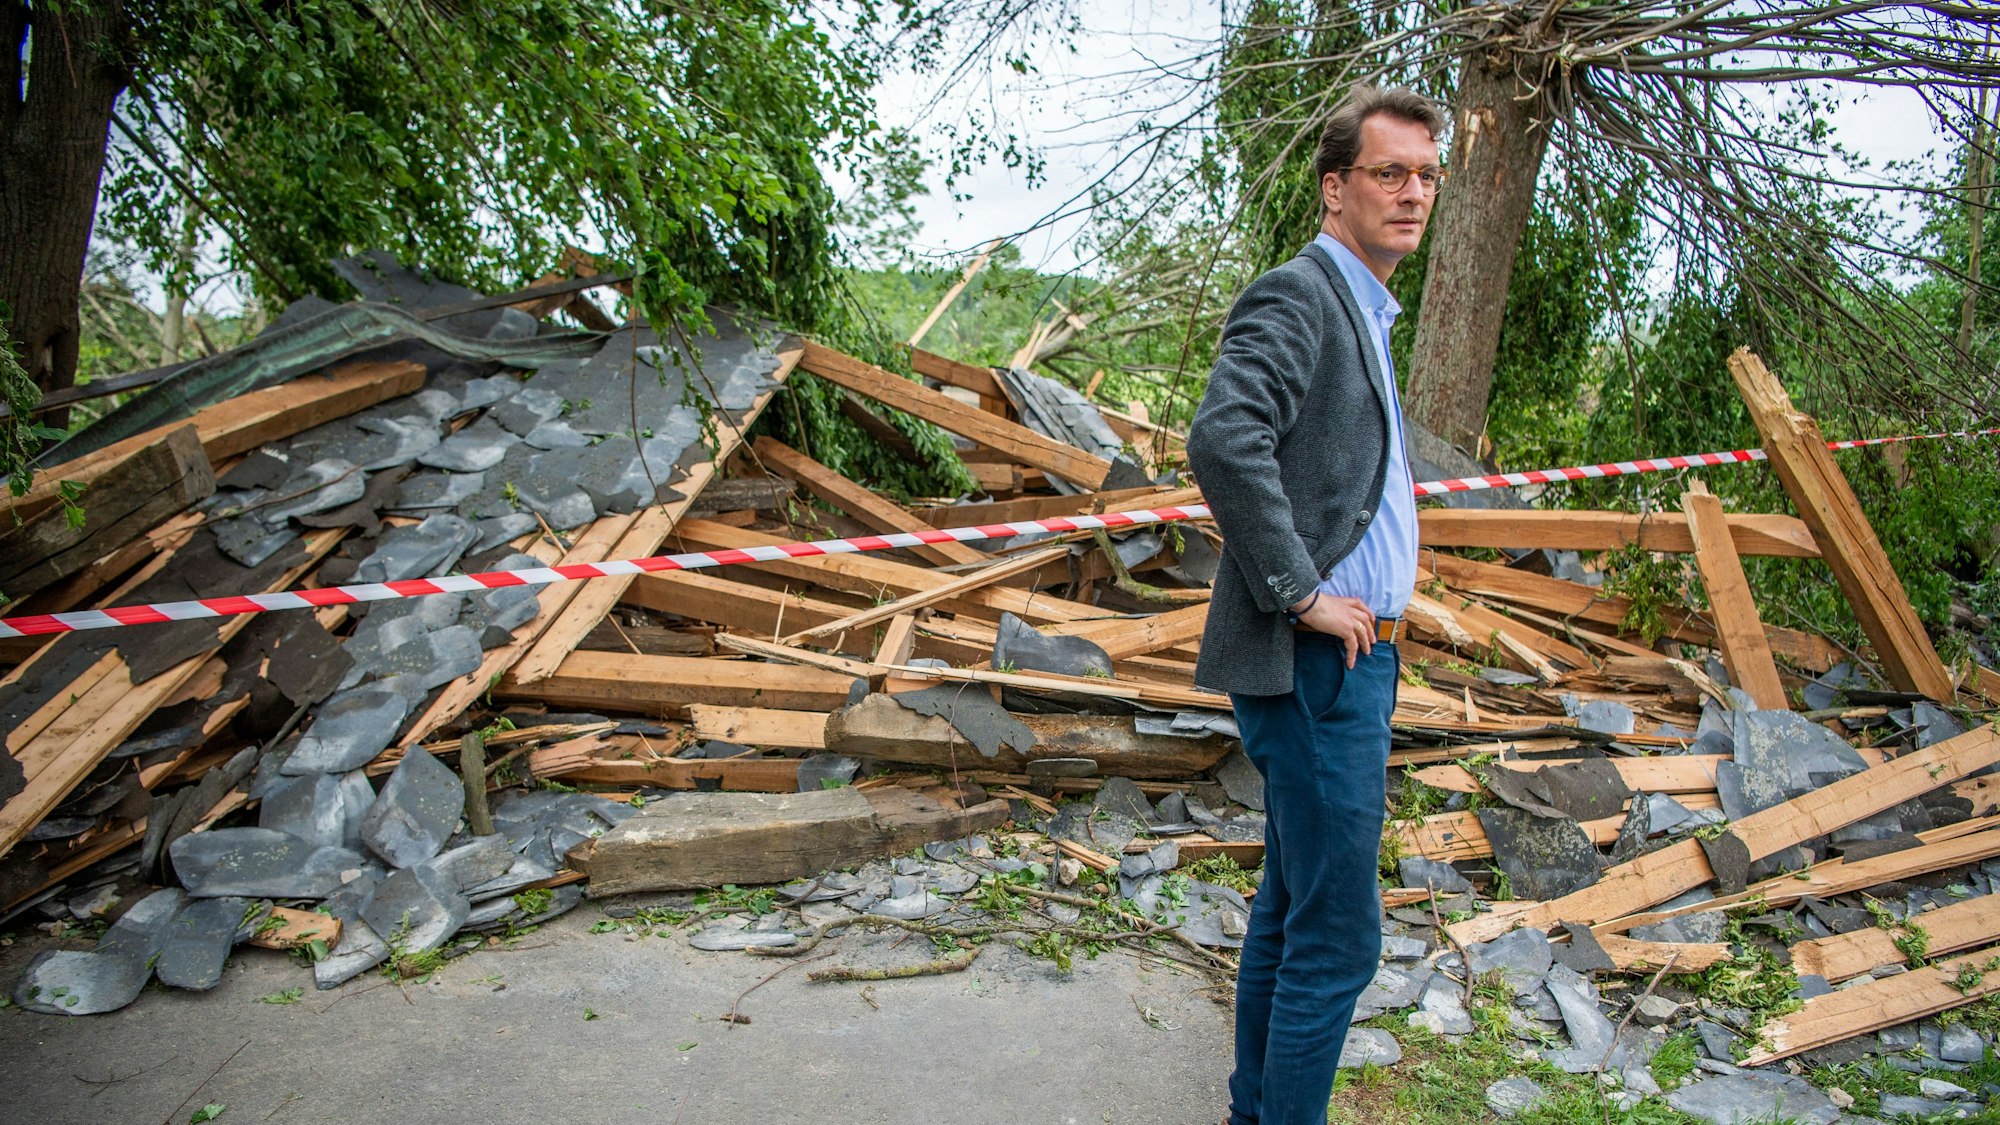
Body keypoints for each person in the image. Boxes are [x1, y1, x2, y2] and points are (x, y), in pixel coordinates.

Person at [1185, 85, 1448, 1125]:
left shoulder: (1363, 308)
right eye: (1389, 173)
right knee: (1338, 935)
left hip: (1348, 662)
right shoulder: (1301, 295)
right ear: (1335, 187)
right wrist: (1299, 592)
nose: (1412, 193)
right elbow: (1223, 437)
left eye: (1426, 175)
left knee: (1293, 908)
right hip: (1318, 665)